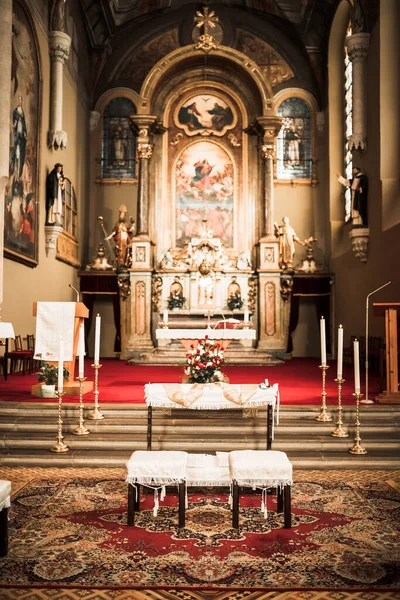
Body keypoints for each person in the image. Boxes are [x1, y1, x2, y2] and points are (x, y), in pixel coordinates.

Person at [105, 204, 135, 269]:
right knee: (119, 252)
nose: (122, 216)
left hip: (125, 242)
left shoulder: (127, 224)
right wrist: (108, 237)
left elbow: (131, 230)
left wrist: (133, 224)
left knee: (125, 252)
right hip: (119, 242)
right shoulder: (117, 224)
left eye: (123, 215)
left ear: (124, 216)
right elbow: (114, 232)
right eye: (121, 215)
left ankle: (124, 263)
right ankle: (119, 263)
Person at [11, 95, 27, 179]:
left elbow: (24, 125)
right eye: (19, 100)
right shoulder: (15, 111)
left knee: (21, 153)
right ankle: (15, 171)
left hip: (21, 135)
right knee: (16, 153)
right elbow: (13, 123)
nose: (20, 102)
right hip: (17, 135)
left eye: (21, 100)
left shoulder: (22, 112)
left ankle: (19, 173)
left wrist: (25, 133)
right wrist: (15, 123)